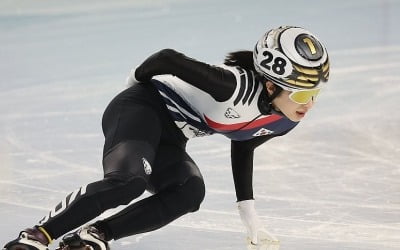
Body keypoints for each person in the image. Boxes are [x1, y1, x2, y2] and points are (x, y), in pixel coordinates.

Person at [3, 25, 329, 250]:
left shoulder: (285, 118)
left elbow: (243, 143)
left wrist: (248, 211)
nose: (310, 105)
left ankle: (94, 236)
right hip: (142, 108)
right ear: (271, 85)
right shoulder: (232, 85)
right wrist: (132, 86)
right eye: (301, 95)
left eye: (315, 93)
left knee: (190, 191)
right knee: (128, 182)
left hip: (172, 137)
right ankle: (38, 235)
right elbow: (166, 58)